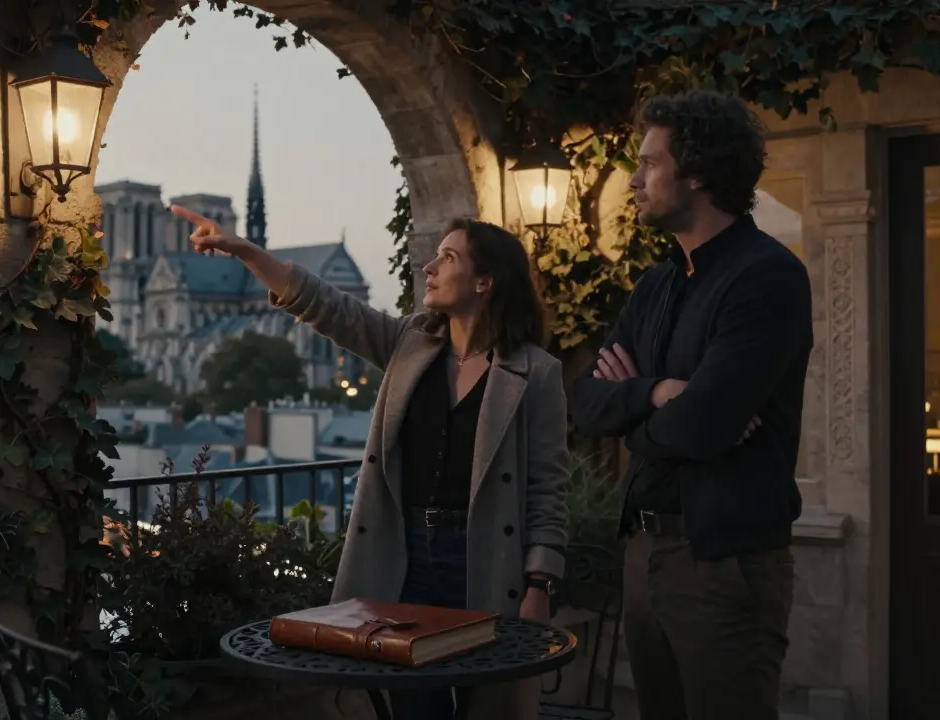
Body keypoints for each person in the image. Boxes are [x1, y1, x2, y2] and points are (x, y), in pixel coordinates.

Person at [169, 206, 570, 720]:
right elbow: (323, 304)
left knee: (487, 702)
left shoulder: (536, 372)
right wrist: (243, 250)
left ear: (484, 282)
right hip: (405, 557)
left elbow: (547, 487)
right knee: (411, 704)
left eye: (447, 258)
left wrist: (538, 585)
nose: (429, 267)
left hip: (487, 555)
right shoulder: (410, 344)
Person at [569, 90, 813, 720]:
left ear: (698, 172)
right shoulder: (656, 284)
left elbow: (704, 426)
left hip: (724, 561)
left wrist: (643, 420)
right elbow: (587, 403)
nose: (634, 179)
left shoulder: (767, 276)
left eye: (650, 163)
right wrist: (654, 393)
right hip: (646, 554)